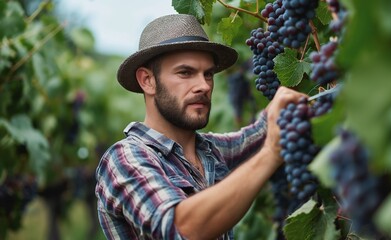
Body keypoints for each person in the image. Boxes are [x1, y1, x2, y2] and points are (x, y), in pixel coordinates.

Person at [95, 14, 306, 240]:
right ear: (148, 80)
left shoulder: (210, 151)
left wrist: (284, 107)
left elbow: (257, 135)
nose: (203, 86)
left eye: (208, 74)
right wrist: (270, 154)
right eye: (185, 73)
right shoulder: (124, 159)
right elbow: (179, 227)